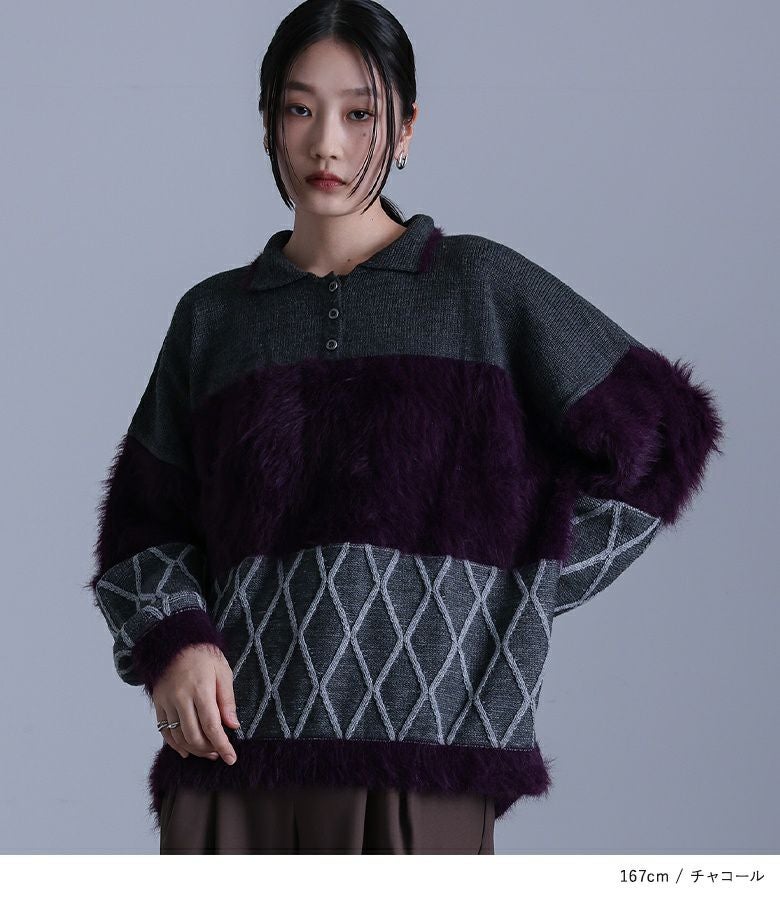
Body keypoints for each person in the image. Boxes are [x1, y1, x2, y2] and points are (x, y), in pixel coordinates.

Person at [87, 0, 724, 855]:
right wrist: (175, 644)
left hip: (426, 771)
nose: (327, 145)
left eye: (360, 114)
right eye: (300, 109)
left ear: (407, 128)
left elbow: (667, 434)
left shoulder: (479, 288)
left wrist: (518, 585)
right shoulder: (213, 319)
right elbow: (141, 531)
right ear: (268, 121)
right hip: (232, 767)